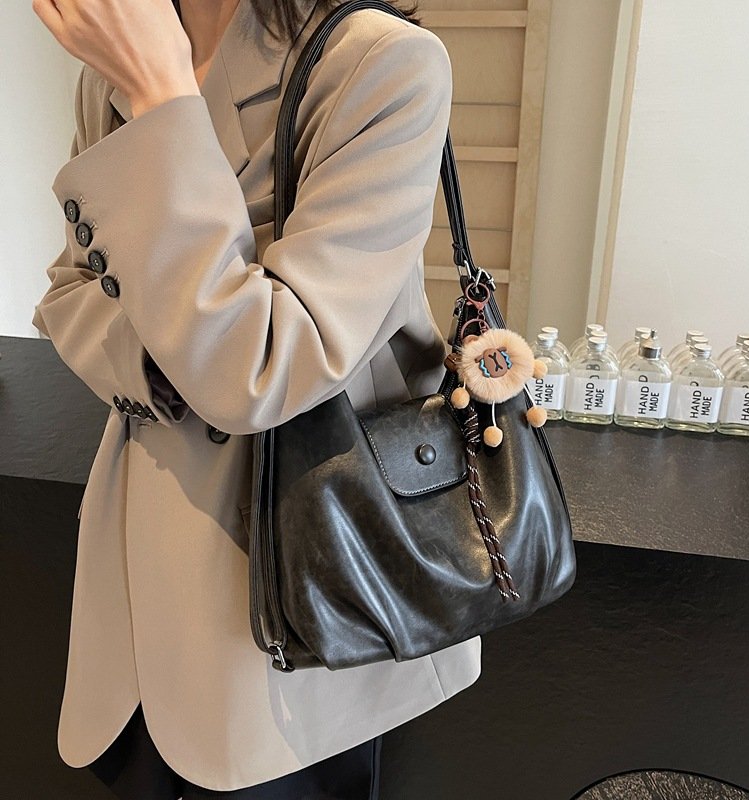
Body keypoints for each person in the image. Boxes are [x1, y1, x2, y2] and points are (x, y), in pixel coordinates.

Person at [30, 0, 483, 797]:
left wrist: (163, 98)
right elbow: (69, 294)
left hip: (294, 612)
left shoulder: (377, 62)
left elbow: (261, 368)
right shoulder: (114, 64)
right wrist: (178, 356)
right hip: (135, 594)